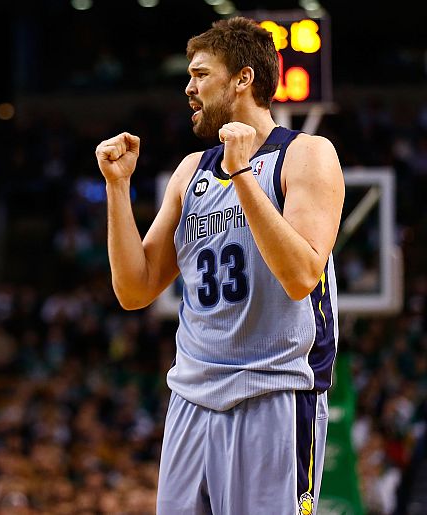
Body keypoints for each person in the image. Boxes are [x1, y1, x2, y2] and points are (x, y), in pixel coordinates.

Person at [95, 17, 344, 515]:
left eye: (200, 74)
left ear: (243, 79)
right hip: (191, 396)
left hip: (273, 392)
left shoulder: (306, 155)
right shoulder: (192, 170)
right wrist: (117, 188)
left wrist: (242, 174)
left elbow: (300, 276)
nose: (189, 88)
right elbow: (134, 289)